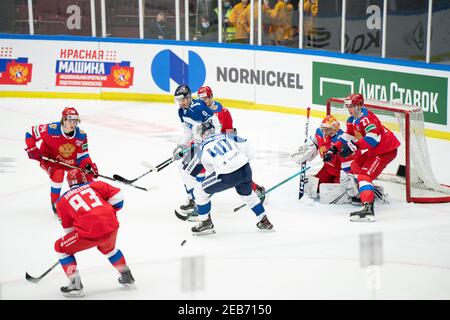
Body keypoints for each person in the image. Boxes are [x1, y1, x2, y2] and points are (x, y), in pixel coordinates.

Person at [54, 169, 134, 297]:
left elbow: (69, 231)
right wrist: (107, 211)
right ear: (84, 178)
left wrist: (70, 249)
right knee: (110, 250)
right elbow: (118, 197)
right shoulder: (95, 185)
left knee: (61, 248)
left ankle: (75, 285)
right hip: (111, 225)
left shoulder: (61, 202)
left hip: (89, 233)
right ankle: (126, 276)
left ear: (69, 183)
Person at [324, 93, 400, 222]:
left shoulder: (367, 118)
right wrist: (334, 149)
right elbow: (348, 136)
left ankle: (368, 210)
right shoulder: (352, 119)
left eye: (352, 106)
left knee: (364, 177)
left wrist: (353, 147)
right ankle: (369, 192)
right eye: (347, 106)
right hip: (375, 150)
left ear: (360, 105)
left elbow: (373, 139)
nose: (349, 109)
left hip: (385, 150)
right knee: (355, 166)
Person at [191, 120, 273, 235]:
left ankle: (206, 223)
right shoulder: (227, 136)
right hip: (245, 169)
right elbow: (245, 142)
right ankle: (264, 220)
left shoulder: (203, 149)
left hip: (227, 175)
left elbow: (210, 170)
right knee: (248, 195)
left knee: (199, 190)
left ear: (203, 135)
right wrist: (241, 161)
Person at [197, 85, 267, 201]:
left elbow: (228, 132)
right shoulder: (202, 110)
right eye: (200, 99)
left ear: (211, 97)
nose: (202, 102)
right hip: (210, 144)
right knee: (202, 168)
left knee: (232, 171)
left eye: (205, 99)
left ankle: (256, 189)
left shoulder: (220, 111)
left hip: (222, 145)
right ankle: (200, 196)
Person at [25, 107, 99, 215]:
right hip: (50, 160)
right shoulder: (51, 129)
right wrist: (32, 148)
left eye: (75, 121)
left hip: (70, 161)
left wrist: (88, 166)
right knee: (58, 174)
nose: (73, 124)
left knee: (87, 176)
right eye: (70, 120)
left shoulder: (81, 135)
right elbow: (29, 133)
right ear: (63, 120)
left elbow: (83, 155)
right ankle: (56, 203)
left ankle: (94, 201)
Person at [172, 84, 222, 218]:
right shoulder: (181, 111)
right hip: (199, 145)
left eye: (183, 99)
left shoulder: (198, 107)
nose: (181, 102)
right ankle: (194, 200)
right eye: (178, 100)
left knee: (187, 174)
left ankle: (199, 206)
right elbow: (188, 132)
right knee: (182, 170)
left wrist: (212, 139)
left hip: (208, 147)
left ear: (188, 97)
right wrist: (181, 146)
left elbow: (216, 123)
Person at [291, 115, 356, 202]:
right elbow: (313, 143)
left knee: (333, 193)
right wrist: (306, 151)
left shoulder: (342, 139)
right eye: (323, 128)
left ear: (334, 129)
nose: (324, 131)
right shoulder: (320, 133)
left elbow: (350, 163)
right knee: (316, 188)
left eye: (327, 129)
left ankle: (361, 185)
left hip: (340, 172)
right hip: (327, 169)